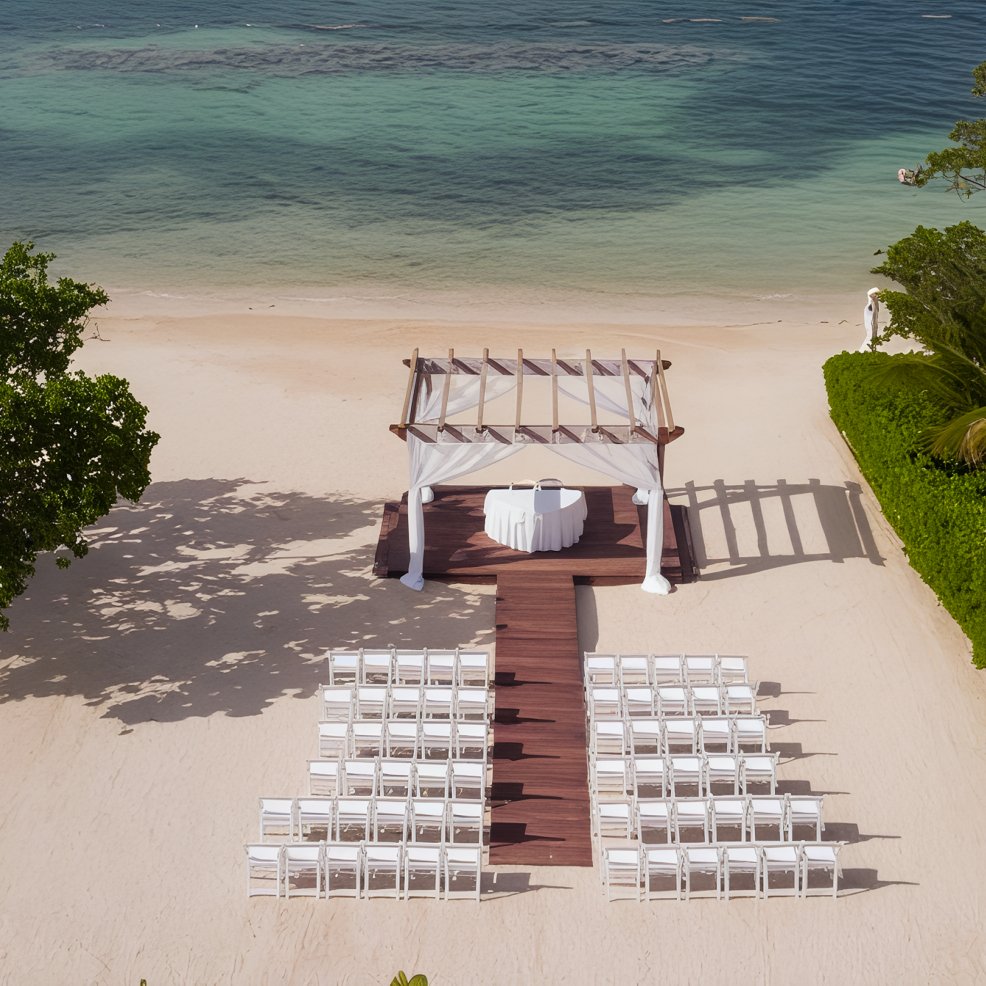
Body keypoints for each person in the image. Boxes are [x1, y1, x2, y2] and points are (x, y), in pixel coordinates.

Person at [860, 287, 880, 352]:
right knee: (870, 337)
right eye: (876, 294)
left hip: (872, 325)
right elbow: (872, 317)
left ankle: (869, 351)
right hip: (871, 325)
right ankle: (863, 351)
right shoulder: (871, 304)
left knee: (871, 337)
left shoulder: (873, 303)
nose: (877, 296)